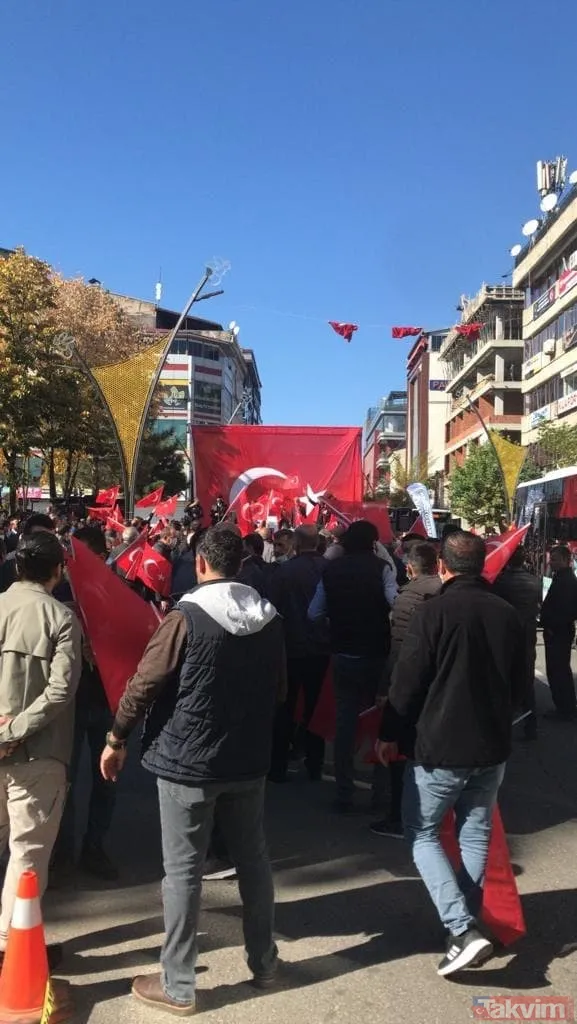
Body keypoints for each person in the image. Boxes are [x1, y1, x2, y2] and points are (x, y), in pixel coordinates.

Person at [100, 526, 286, 1015]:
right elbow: (280, 690)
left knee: (182, 873)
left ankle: (178, 985)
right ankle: (264, 963)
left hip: (186, 764)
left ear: (201, 563)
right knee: (254, 862)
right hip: (247, 761)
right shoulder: (269, 619)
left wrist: (116, 737)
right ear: (242, 566)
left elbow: (145, 682)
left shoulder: (185, 616)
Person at [377, 531, 525, 977]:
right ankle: (464, 924)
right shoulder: (508, 614)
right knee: (474, 833)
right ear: (480, 565)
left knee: (420, 832)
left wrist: (389, 733)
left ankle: (461, 928)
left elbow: (408, 680)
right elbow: (520, 688)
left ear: (443, 565)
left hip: (440, 746)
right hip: (490, 746)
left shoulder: (433, 612)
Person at [0, 532, 81, 966]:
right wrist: (16, 730)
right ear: (58, 570)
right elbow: (61, 690)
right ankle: (12, 947)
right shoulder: (61, 618)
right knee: (27, 856)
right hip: (39, 754)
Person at [309, 520, 396, 811]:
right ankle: (380, 794)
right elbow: (394, 603)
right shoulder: (382, 569)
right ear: (373, 542)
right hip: (376, 653)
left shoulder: (331, 570)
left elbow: (314, 612)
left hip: (343, 652)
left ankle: (344, 793)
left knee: (345, 723)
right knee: (379, 722)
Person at [51, 527, 118, 883]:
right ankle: (63, 851)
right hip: (72, 701)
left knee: (106, 778)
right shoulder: (60, 592)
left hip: (107, 701)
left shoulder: (116, 589)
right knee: (67, 780)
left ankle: (95, 846)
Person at [371, 542, 441, 839]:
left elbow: (399, 651)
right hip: (440, 686)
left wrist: (387, 688)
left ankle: (401, 816)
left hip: (410, 684)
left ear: (410, 568)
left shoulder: (408, 597)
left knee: (402, 754)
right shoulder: (444, 591)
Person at [269, 526, 329, 782]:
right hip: (320, 647)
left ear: (295, 543)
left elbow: (272, 608)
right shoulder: (329, 568)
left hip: (291, 647)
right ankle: (315, 764)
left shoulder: (285, 571)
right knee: (316, 708)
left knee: (284, 706)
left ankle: (278, 767)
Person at [493, 545, 541, 738]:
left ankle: (502, 725)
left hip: (506, 634)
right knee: (526, 679)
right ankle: (531, 724)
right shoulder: (535, 581)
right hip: (528, 633)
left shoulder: (501, 582)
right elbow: (537, 604)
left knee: (503, 679)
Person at [540, 545, 577, 721]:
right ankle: (565, 706)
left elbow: (566, 609)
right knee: (559, 669)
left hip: (558, 631)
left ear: (564, 560)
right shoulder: (562, 578)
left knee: (558, 670)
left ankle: (565, 708)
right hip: (558, 630)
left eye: (554, 559)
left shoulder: (567, 581)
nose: (550, 562)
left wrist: (551, 624)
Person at [237, 533, 268, 597]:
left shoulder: (246, 571)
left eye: (243, 548)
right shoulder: (270, 569)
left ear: (250, 548)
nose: (241, 551)